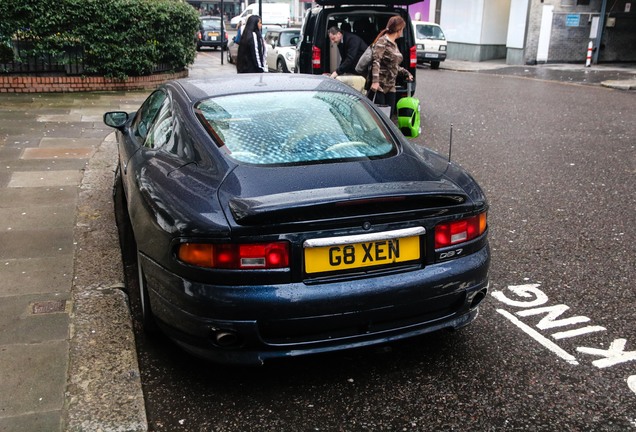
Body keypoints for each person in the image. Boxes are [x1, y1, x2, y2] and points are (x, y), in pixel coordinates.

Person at [367, 16, 414, 117]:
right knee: (379, 117)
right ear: (399, 29)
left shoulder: (394, 44)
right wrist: (375, 82)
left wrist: (406, 73)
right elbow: (376, 61)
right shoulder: (382, 41)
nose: (402, 31)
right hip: (380, 86)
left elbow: (393, 65)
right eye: (402, 29)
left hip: (391, 86)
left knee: (389, 116)